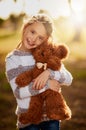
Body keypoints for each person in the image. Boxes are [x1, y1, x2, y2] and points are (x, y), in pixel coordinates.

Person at [5, 14, 73, 130]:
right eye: (33, 32)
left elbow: (68, 78)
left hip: (51, 117)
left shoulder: (45, 52)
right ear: (26, 27)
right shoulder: (13, 59)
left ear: (46, 39)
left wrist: (49, 73)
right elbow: (19, 92)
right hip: (28, 120)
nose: (34, 39)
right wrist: (47, 85)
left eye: (40, 38)